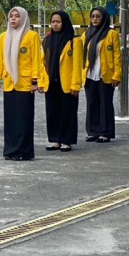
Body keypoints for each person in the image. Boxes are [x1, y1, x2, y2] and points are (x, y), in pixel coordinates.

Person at [0, 7, 44, 161]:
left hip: (25, 83)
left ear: (23, 18)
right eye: (11, 16)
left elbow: (36, 59)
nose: (13, 19)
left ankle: (23, 151)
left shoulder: (31, 36)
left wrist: (35, 81)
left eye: (17, 16)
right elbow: (0, 58)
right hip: (9, 82)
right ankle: (10, 150)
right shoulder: (3, 36)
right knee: (10, 119)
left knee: (23, 119)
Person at [39, 11, 83, 152]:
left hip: (67, 83)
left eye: (58, 21)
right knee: (52, 112)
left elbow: (77, 65)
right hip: (51, 83)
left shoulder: (74, 41)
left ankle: (67, 141)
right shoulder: (47, 40)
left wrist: (76, 84)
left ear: (64, 22)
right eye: (53, 22)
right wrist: (41, 81)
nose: (55, 24)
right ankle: (55, 140)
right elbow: (42, 63)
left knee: (67, 112)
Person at [81, 7, 121, 143]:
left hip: (106, 74)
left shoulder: (111, 34)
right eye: (93, 16)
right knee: (91, 102)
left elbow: (117, 56)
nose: (95, 19)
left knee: (105, 103)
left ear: (104, 18)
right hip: (89, 74)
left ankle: (105, 132)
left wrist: (117, 75)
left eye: (98, 16)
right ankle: (93, 131)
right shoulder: (86, 34)